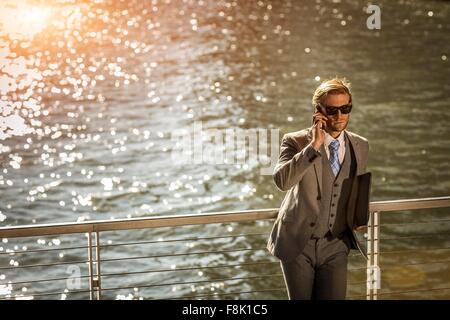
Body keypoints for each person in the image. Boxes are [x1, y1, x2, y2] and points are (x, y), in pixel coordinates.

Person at [266, 77, 369, 300]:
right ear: (318, 111)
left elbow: (354, 187)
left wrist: (359, 216)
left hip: (336, 244)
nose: (340, 116)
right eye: (332, 110)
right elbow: (282, 182)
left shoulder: (361, 145)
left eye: (345, 108)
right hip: (298, 244)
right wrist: (314, 146)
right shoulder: (295, 141)